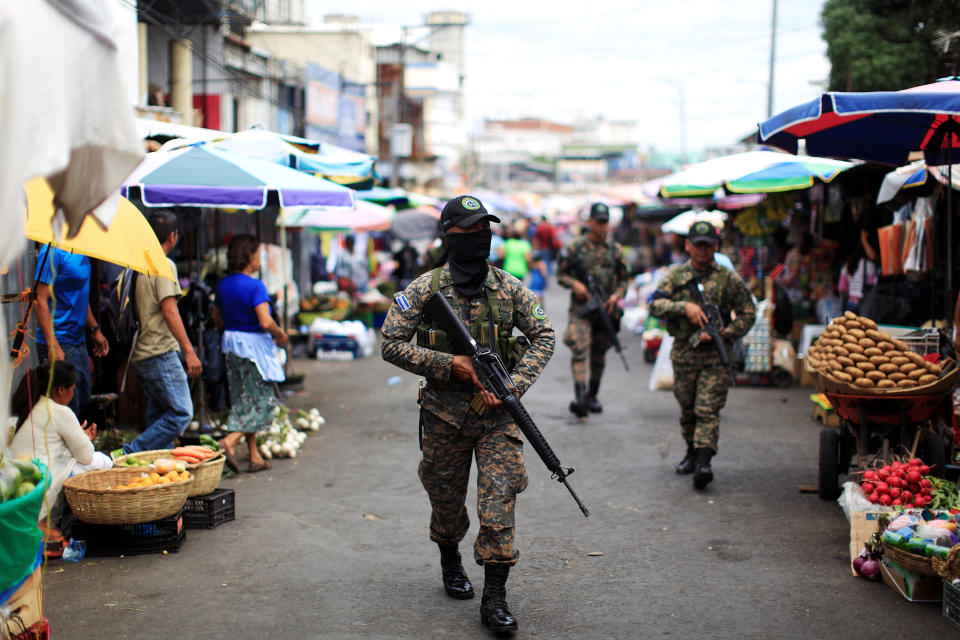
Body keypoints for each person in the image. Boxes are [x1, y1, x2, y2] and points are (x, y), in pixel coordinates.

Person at [381, 195, 555, 635]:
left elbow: (544, 336)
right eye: (470, 231)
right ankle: (449, 557)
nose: (481, 239)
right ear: (449, 236)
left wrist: (513, 385)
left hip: (497, 417)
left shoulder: (510, 288)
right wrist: (449, 365)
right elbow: (390, 344)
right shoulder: (424, 290)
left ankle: (494, 598)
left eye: (485, 231)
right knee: (446, 503)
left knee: (499, 503)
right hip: (444, 416)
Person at [649, 221, 756, 489]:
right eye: (698, 245)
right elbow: (654, 304)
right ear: (688, 245)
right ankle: (692, 452)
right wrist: (684, 307)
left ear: (715, 247)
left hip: (716, 356)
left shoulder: (727, 278)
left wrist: (727, 332)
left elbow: (748, 311)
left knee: (707, 409)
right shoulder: (675, 275)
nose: (702, 250)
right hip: (685, 352)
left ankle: (705, 461)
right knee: (687, 409)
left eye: (708, 245)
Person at [122, 211, 202, 454]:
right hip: (160, 352)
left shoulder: (136, 263)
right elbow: (170, 311)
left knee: (160, 415)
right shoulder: (164, 264)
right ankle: (131, 452)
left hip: (142, 353)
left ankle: (155, 470)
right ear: (173, 236)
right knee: (182, 413)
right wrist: (189, 351)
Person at [212, 234, 288, 474]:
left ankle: (255, 456)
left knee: (243, 399)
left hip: (231, 345)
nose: (259, 259)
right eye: (257, 254)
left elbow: (216, 318)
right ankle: (230, 442)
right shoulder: (255, 285)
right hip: (254, 349)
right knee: (263, 401)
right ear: (249, 256)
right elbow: (265, 321)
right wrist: (281, 334)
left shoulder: (223, 284)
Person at [9, 361, 113, 522]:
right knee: (103, 461)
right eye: (72, 390)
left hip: (19, 478)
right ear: (61, 389)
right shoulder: (60, 412)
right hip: (41, 478)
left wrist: (80, 436)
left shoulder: (28, 404)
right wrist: (84, 438)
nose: (72, 395)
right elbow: (86, 457)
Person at [556, 202, 628, 417]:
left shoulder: (615, 250)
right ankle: (579, 397)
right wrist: (575, 285)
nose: (602, 226)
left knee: (598, 354)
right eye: (598, 222)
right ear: (590, 222)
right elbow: (561, 274)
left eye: (605, 222)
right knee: (579, 348)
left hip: (605, 309)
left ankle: (592, 395)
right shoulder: (575, 247)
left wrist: (617, 295)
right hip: (582, 309)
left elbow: (625, 280)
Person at [33, 244, 110, 419]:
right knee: (67, 409)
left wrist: (95, 328)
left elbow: (79, 294)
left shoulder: (81, 248)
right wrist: (53, 345)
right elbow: (40, 298)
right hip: (59, 340)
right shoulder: (51, 251)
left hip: (78, 341)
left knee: (82, 399)